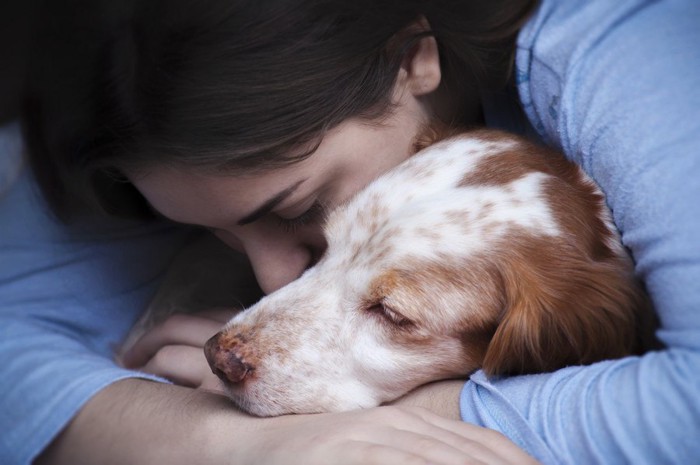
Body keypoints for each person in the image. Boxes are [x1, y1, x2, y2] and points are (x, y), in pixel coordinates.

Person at [1, 1, 698, 464]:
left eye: (303, 203)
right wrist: (222, 442)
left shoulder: (633, 57)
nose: (271, 281)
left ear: (412, 59)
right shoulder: (126, 88)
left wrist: (424, 422)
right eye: (207, 229)